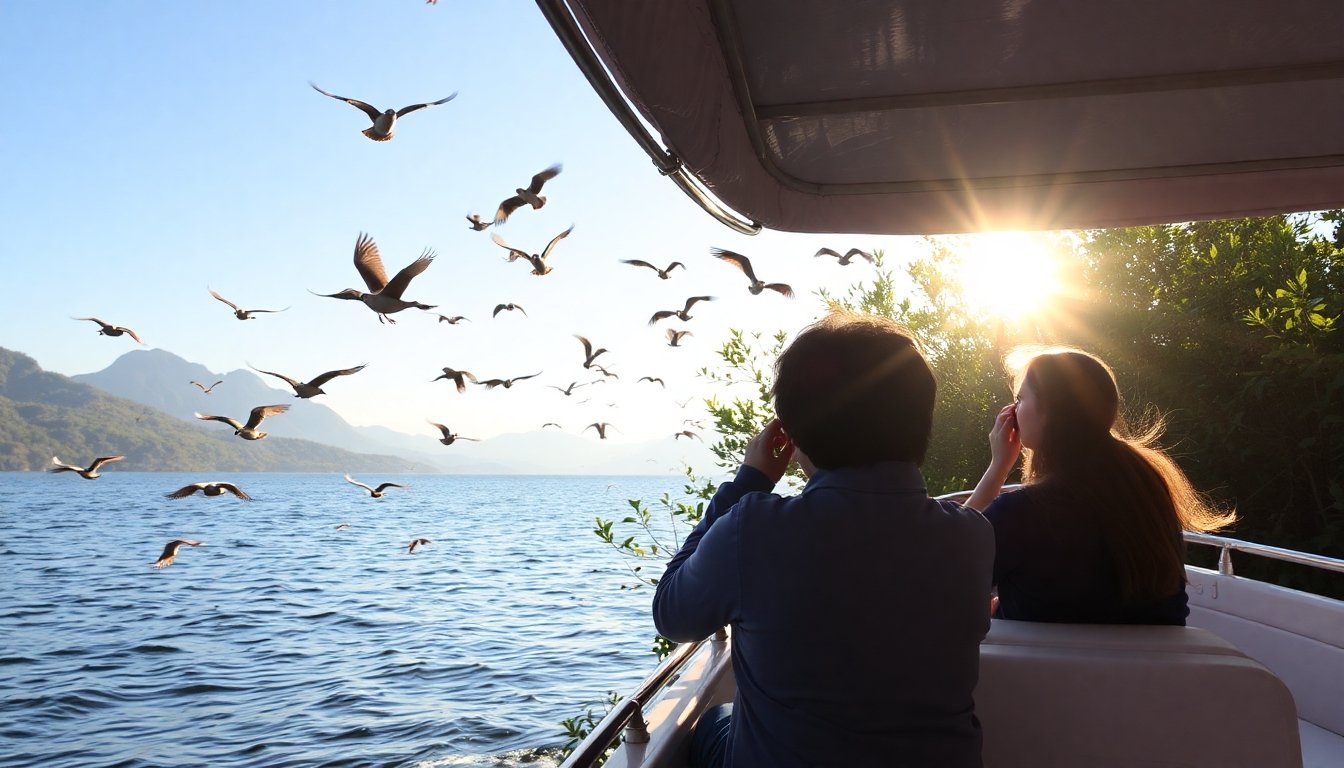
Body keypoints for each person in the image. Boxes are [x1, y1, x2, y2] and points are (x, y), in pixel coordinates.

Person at [653, 311, 994, 768]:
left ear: (791, 434)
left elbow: (672, 615)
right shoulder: (971, 536)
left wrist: (748, 481)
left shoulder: (754, 529)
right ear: (922, 422)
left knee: (716, 721)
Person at [966, 347, 1236, 625]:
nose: (1012, 410)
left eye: (1020, 398)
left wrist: (997, 468)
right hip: (1149, 668)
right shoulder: (1146, 490)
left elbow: (941, 567)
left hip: (1041, 668)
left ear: (1050, 409)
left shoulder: (1019, 513)